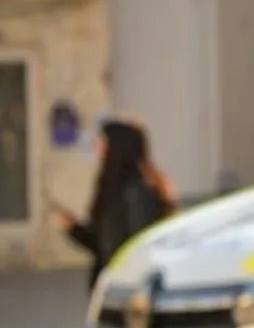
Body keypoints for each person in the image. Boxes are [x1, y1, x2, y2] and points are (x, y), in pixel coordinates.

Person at [52, 118, 175, 288]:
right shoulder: (109, 190)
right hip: (109, 286)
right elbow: (100, 246)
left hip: (126, 289)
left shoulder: (136, 192)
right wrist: (73, 228)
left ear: (116, 147)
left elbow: (139, 244)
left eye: (101, 141)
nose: (96, 146)